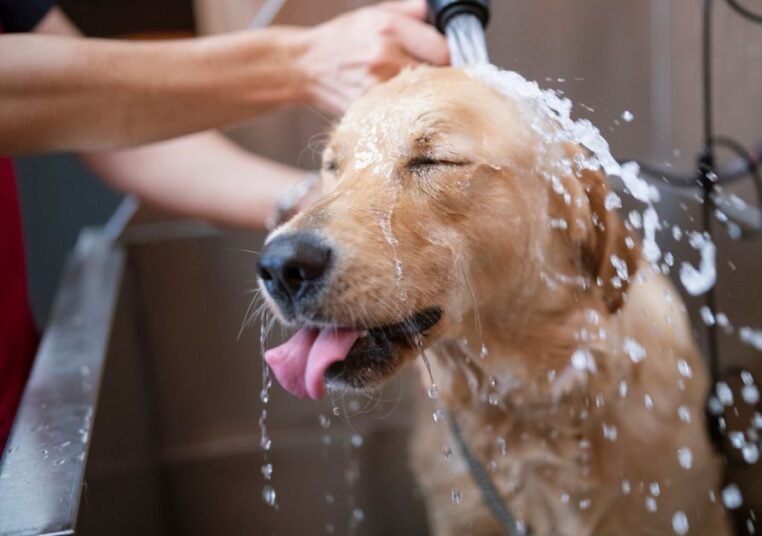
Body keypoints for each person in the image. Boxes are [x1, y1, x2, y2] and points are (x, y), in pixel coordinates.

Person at [0, 0, 449, 448]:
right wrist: (300, 61)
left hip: (15, 406)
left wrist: (326, 210)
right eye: (334, 163)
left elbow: (95, 116)